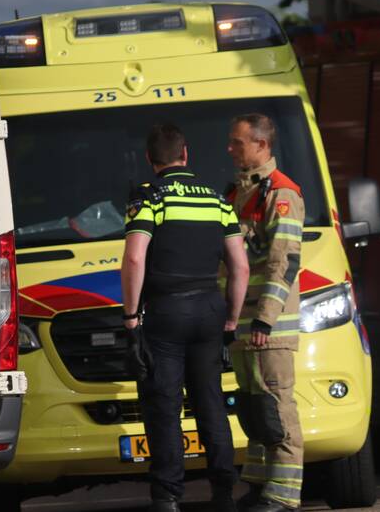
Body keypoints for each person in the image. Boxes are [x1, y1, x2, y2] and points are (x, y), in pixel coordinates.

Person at [121, 123, 249, 512]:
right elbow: (240, 268)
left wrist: (130, 319)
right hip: (210, 308)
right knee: (210, 402)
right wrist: (230, 320)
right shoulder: (217, 200)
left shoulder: (151, 198)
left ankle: (167, 498)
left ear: (150, 159)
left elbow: (134, 257)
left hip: (166, 310)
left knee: (164, 406)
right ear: (186, 155)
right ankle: (224, 493)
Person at [225, 113, 305, 512]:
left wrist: (264, 319)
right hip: (244, 322)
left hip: (266, 325)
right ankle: (259, 484)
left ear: (262, 144)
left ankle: (283, 495)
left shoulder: (282, 194)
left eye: (237, 142)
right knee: (254, 409)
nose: (230, 148)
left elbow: (284, 262)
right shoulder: (237, 192)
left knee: (277, 408)